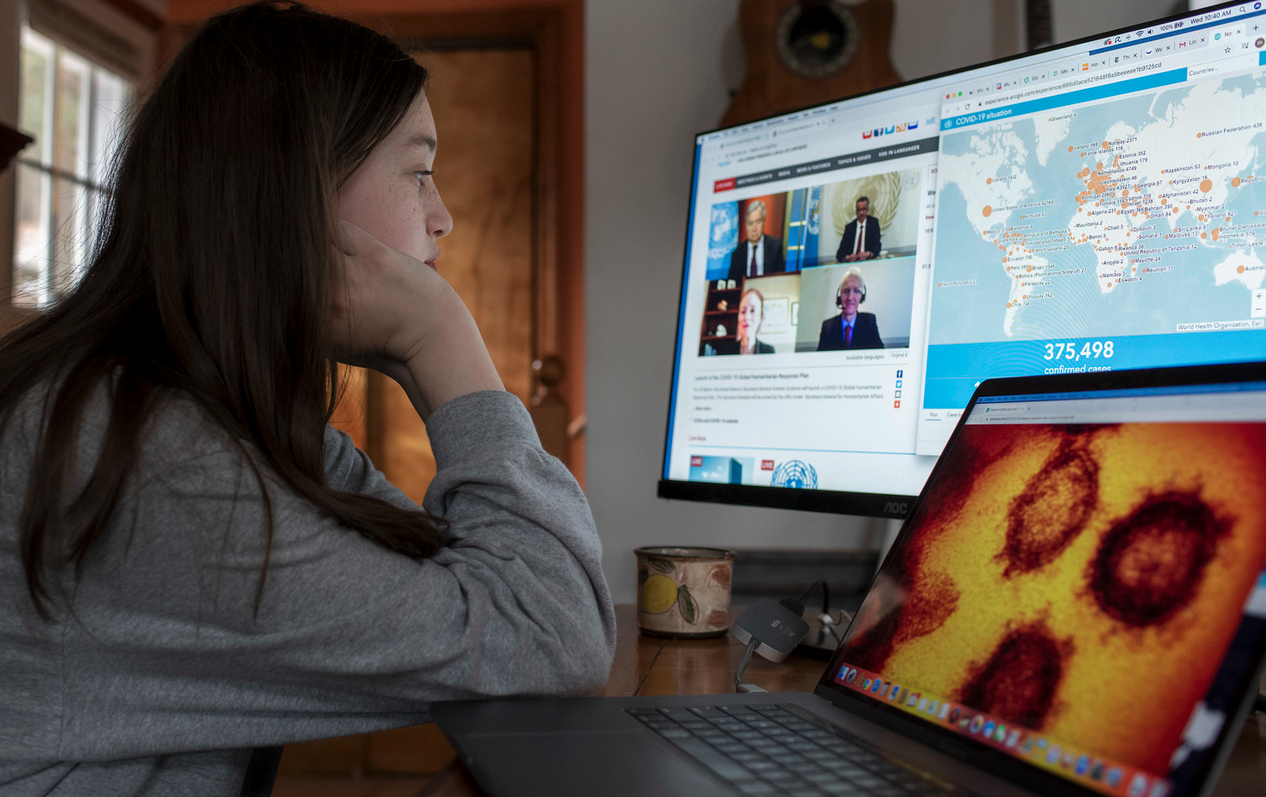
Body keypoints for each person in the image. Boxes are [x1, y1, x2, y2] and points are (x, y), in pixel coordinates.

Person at [0, 4, 615, 795]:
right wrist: (445, 343)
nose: (442, 216)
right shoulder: (151, 450)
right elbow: (551, 633)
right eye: (418, 171)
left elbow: (476, 590)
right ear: (294, 188)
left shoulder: (229, 418)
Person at [818, 268, 884, 350]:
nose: (850, 297)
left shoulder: (869, 322)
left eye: (856, 291)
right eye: (846, 291)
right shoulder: (827, 326)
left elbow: (880, 354)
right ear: (840, 296)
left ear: (862, 297)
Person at [727, 200, 785, 282]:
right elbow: (732, 283)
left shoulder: (775, 246)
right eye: (750, 223)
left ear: (764, 222)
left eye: (758, 222)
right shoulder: (737, 254)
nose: (754, 228)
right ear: (746, 226)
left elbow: (781, 279)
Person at [836, 195, 881, 262]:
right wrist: (847, 257)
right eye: (859, 210)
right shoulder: (850, 227)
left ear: (868, 210)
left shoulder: (873, 223)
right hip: (852, 263)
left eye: (864, 209)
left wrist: (868, 254)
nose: (861, 212)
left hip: (868, 262)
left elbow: (877, 247)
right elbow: (839, 254)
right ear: (856, 211)